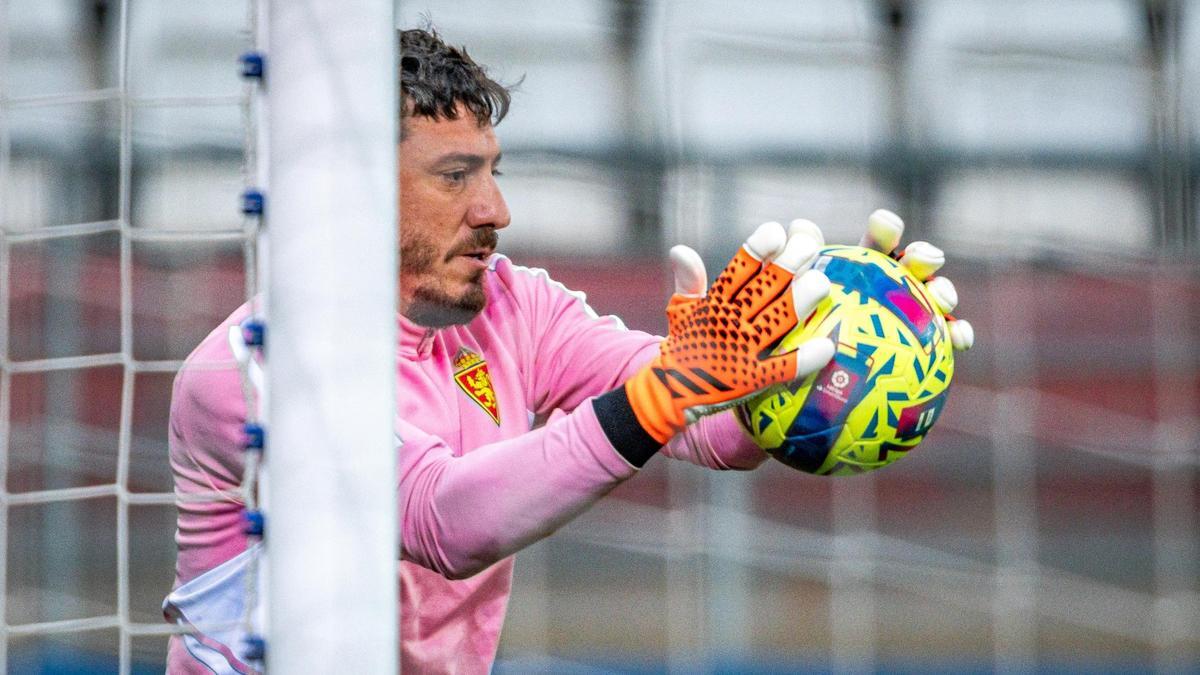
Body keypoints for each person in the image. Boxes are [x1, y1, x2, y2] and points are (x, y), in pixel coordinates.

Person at [162, 27, 974, 674]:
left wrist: (835, 348)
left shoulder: (516, 305)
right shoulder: (250, 365)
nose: (496, 209)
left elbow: (709, 428)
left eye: (494, 172)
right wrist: (667, 394)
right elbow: (442, 516)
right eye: (455, 177)